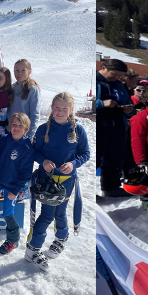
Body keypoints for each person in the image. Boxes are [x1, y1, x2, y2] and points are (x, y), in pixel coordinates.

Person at [26, 93, 89, 272]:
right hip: (47, 181)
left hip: (67, 181)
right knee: (47, 215)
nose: (60, 112)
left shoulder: (78, 131)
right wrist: (43, 161)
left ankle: (62, 238)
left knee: (60, 213)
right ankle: (32, 249)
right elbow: (35, 152)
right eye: (57, 108)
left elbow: (85, 154)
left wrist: (73, 163)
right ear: (52, 108)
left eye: (64, 109)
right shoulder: (42, 129)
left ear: (71, 110)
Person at [0, 113, 35, 255]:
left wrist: (15, 190)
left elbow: (26, 174)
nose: (17, 128)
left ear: (26, 129)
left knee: (8, 214)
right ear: (9, 126)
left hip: (12, 186)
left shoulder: (27, 147)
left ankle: (13, 240)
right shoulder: (2, 139)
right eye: (14, 124)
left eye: (21, 126)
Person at [96, 59, 134, 197]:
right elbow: (82, 101)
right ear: (104, 68)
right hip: (99, 124)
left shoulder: (118, 84)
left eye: (120, 75)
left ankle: (110, 188)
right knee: (96, 157)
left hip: (117, 124)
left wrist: (128, 109)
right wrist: (101, 103)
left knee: (114, 157)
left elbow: (127, 102)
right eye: (115, 74)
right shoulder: (94, 80)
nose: (117, 77)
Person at [10, 59, 42, 139]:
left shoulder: (32, 89)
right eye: (17, 70)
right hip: (11, 130)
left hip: (23, 132)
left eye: (23, 70)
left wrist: (30, 134)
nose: (19, 73)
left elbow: (35, 114)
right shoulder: (12, 87)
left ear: (29, 72)